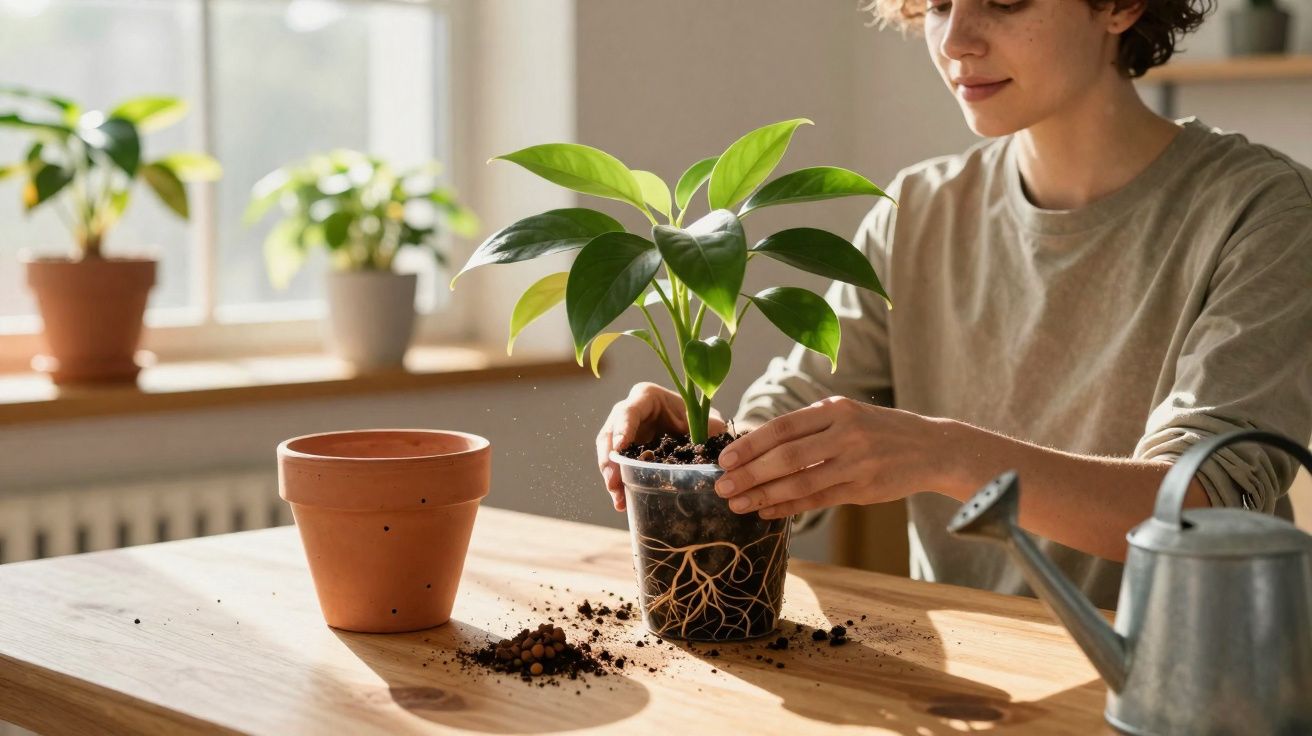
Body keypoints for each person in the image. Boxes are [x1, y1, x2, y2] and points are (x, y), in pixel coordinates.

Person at [595, 0, 1312, 610]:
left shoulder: (1262, 209)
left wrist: (943, 455)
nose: (955, 41)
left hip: (1183, 692)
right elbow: (803, 410)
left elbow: (1207, 506)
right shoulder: (917, 209)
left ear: (1120, 5)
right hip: (978, 687)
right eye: (936, 2)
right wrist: (703, 442)